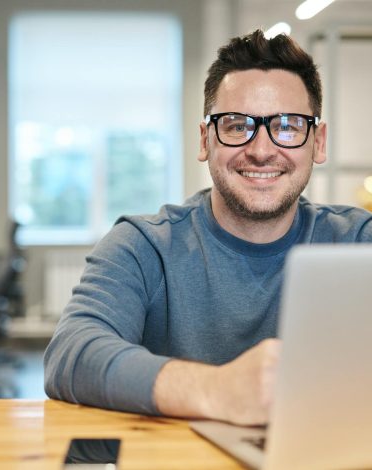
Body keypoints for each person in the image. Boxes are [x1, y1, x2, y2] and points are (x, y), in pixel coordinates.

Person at [44, 30, 372, 425]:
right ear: (205, 139)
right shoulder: (144, 246)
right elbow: (73, 355)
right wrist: (217, 390)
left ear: (317, 142)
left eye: (287, 125)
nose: (262, 150)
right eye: (236, 126)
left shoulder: (358, 243)